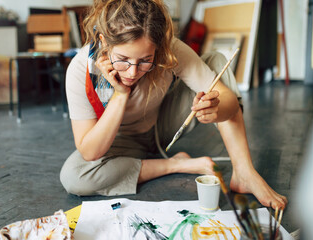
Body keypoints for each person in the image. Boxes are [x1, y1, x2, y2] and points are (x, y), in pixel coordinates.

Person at [60, 0, 287, 210]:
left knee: (216, 63)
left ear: (157, 48)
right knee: (74, 176)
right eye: (123, 59)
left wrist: (215, 107)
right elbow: (90, 152)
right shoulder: (81, 70)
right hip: (117, 142)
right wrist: (121, 95)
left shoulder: (169, 50)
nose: (132, 71)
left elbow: (229, 103)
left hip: (161, 128)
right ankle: (174, 165)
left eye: (145, 60)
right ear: (103, 42)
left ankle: (244, 172)